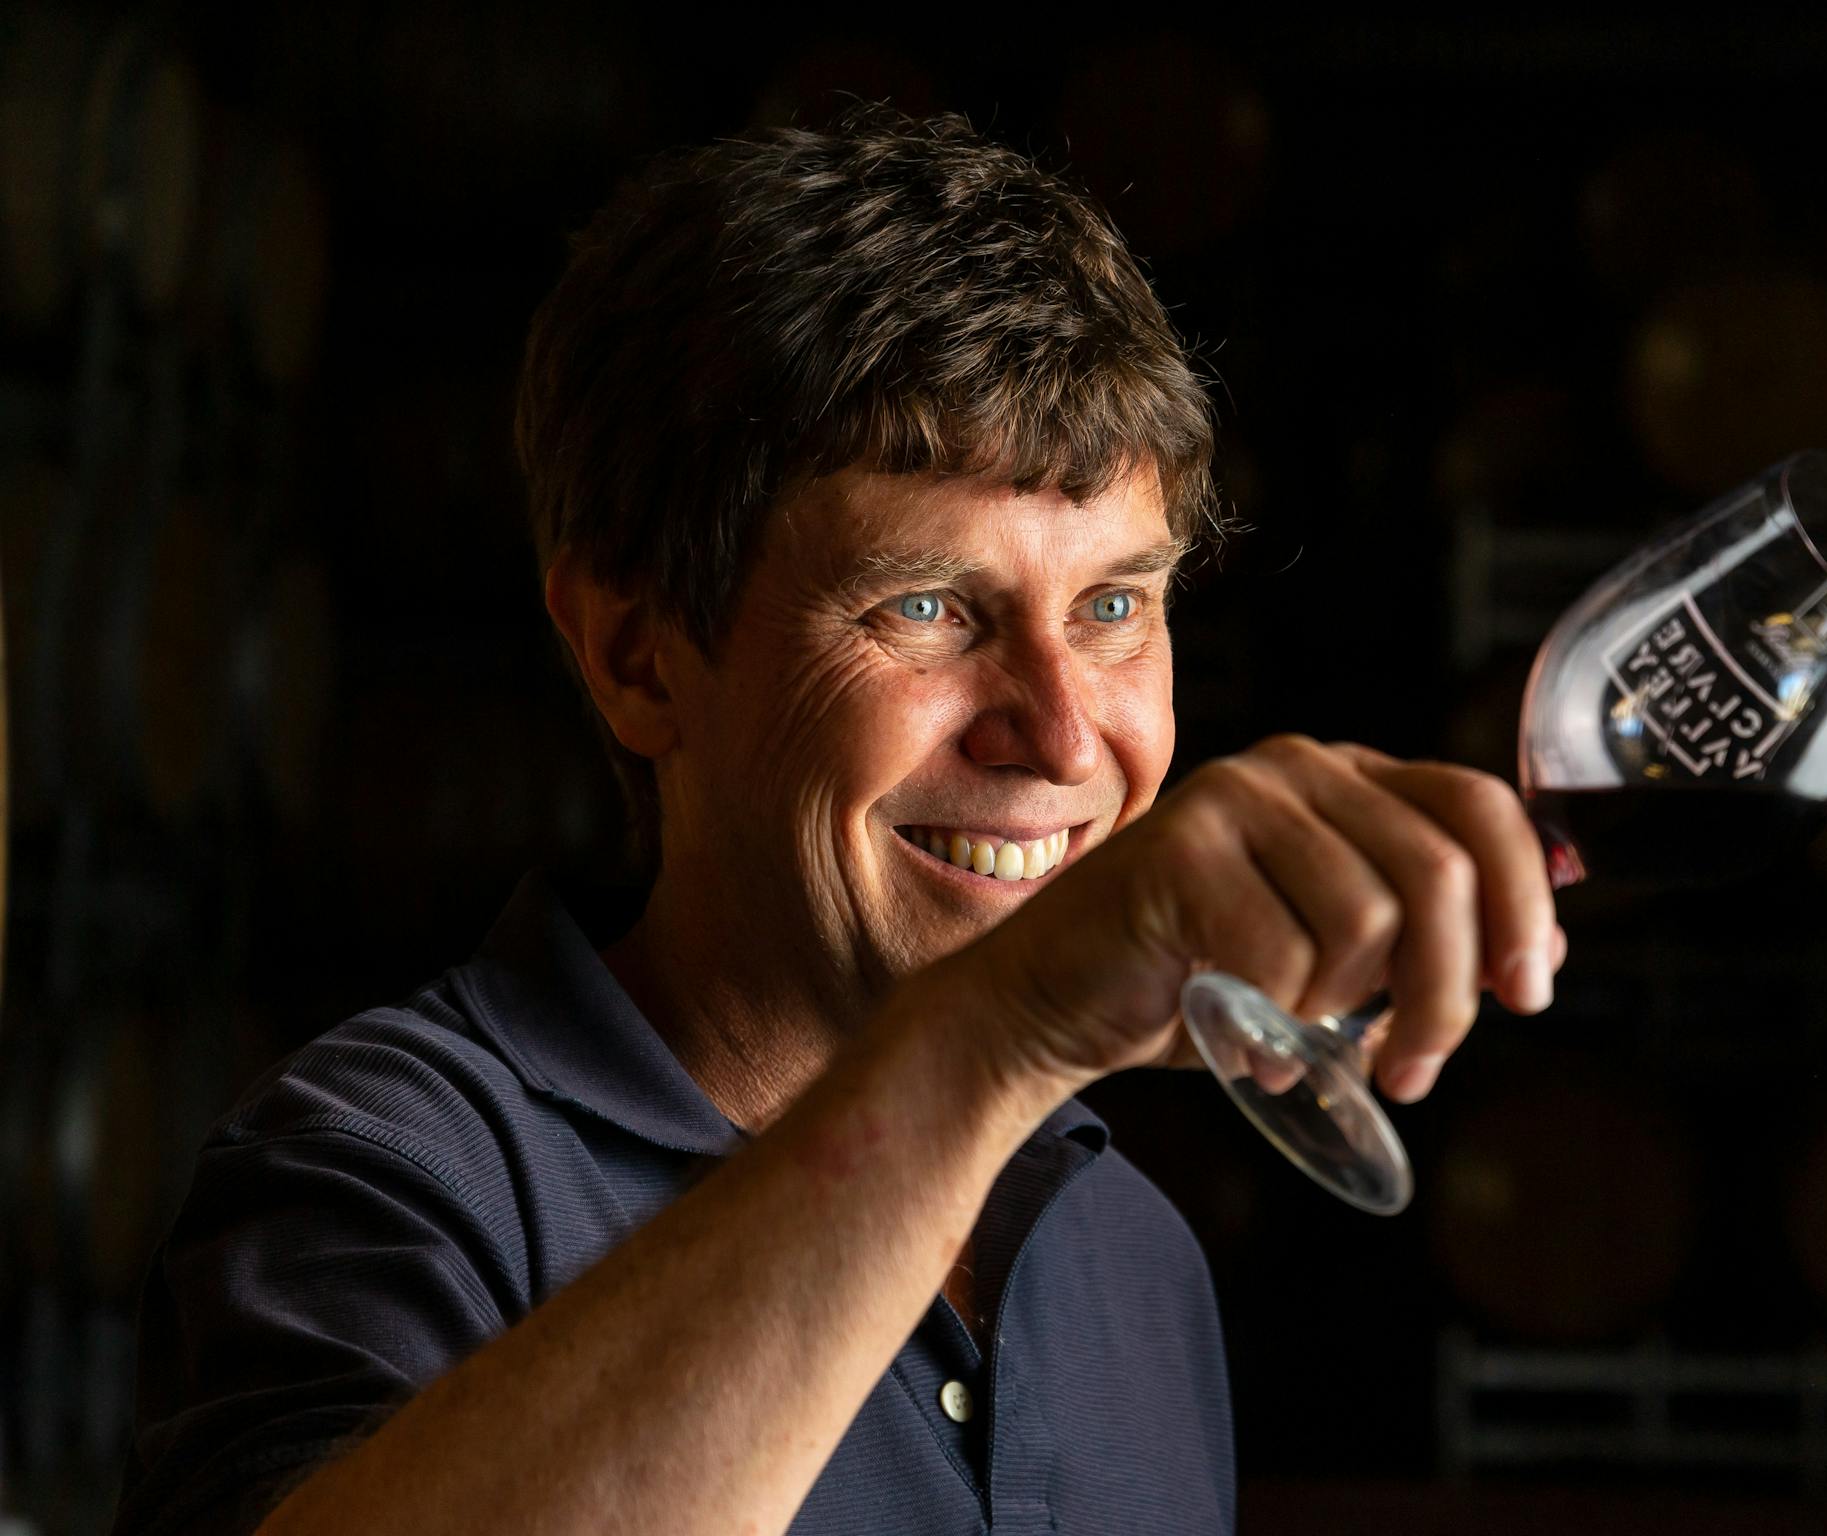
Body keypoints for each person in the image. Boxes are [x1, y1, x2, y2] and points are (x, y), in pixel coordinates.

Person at [111, 107, 1562, 1536]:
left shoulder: (1134, 1255)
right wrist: (995, 1040)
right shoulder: (396, 1169)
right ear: (636, 656)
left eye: (1114, 605)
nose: (1063, 735)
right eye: (927, 608)